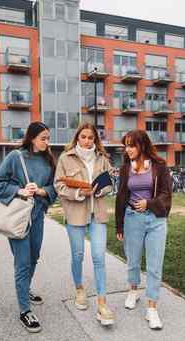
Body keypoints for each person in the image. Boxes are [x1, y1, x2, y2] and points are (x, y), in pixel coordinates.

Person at [0, 122, 56, 333]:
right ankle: (24, 311)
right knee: (23, 262)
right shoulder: (15, 157)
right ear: (32, 138)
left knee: (34, 256)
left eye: (48, 138)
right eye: (43, 138)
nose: (47, 142)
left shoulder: (48, 160)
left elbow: (54, 187)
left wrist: (41, 191)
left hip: (37, 218)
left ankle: (24, 289)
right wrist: (20, 191)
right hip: (19, 217)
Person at [54, 122, 114, 326]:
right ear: (77, 138)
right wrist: (79, 192)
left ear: (95, 139)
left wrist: (99, 190)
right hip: (75, 215)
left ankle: (102, 303)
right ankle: (79, 289)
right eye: (84, 137)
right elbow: (59, 186)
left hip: (97, 214)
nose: (87, 141)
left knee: (99, 257)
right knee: (78, 255)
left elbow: (109, 185)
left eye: (91, 137)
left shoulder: (103, 158)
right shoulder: (65, 158)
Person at [115, 129, 172, 330]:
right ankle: (133, 290)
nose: (127, 149)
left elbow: (166, 194)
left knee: (155, 265)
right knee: (133, 260)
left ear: (142, 145)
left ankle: (152, 308)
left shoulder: (159, 166)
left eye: (131, 145)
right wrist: (119, 224)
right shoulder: (125, 169)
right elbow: (121, 197)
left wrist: (149, 203)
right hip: (132, 220)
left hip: (156, 221)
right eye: (126, 145)